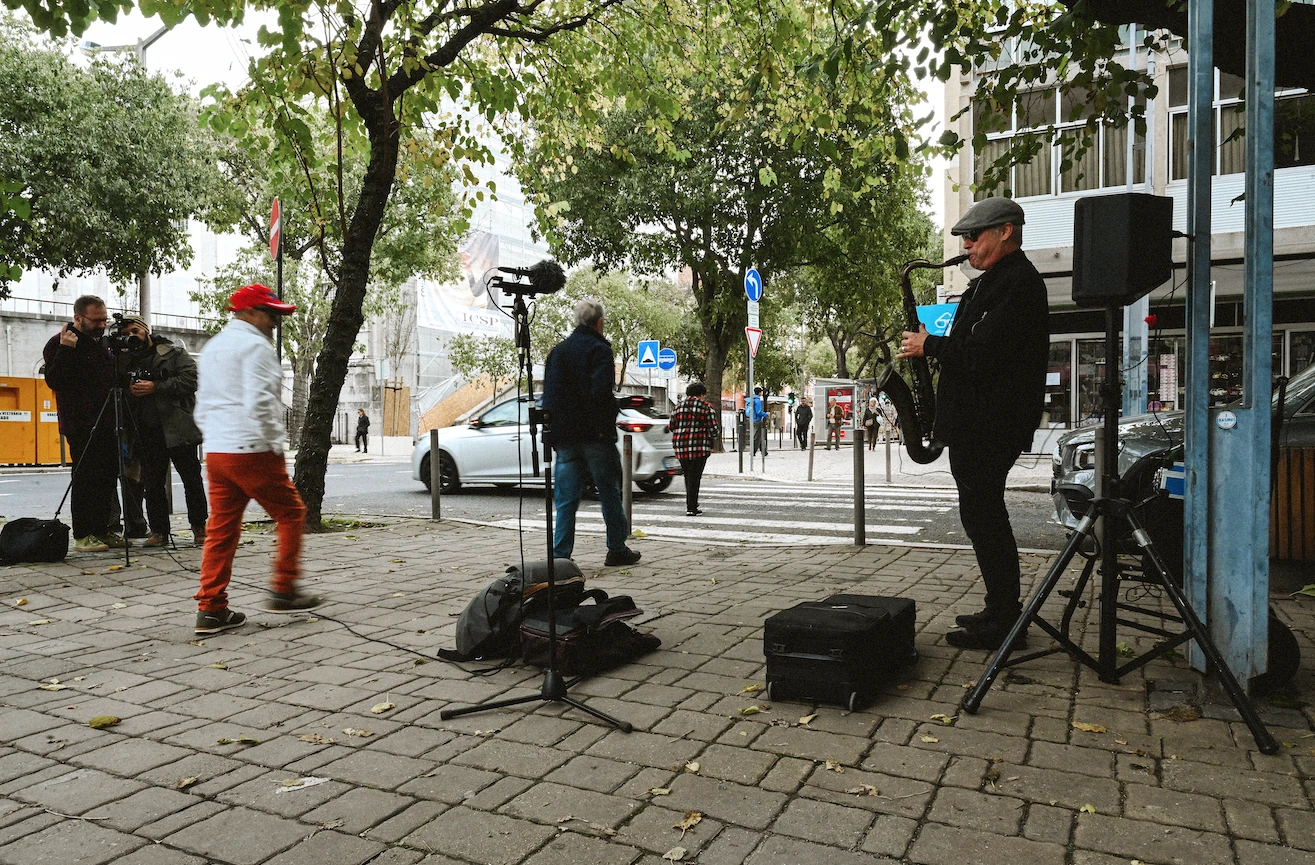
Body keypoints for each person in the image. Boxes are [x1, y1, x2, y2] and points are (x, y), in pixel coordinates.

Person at [898, 197, 1049, 651]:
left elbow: (984, 355)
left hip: (992, 425)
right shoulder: (991, 283)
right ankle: (998, 608)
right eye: (964, 238)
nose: (966, 246)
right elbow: (970, 345)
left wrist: (931, 346)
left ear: (1005, 231)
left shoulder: (1019, 284)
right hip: (976, 424)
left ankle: (1004, 621)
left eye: (974, 236)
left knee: (986, 519)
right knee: (981, 517)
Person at [192, 283, 324, 636]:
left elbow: (201, 405)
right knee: (291, 513)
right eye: (270, 314)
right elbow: (262, 403)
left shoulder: (214, 347)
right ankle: (284, 587)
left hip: (218, 450)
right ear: (248, 313)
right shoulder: (257, 347)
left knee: (221, 528)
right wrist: (274, 444)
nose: (275, 322)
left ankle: (211, 608)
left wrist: (214, 436)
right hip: (252, 448)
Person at [541, 299, 641, 567]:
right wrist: (613, 411)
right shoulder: (600, 350)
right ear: (599, 322)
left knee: (566, 499)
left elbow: (549, 396)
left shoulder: (558, 352)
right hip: (595, 435)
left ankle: (560, 556)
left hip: (565, 437)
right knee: (609, 491)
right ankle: (616, 549)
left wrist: (553, 432)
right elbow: (599, 394)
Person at [42, 295, 127, 552]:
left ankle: (103, 530)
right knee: (85, 479)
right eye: (96, 319)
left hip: (107, 420)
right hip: (81, 423)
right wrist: (67, 350)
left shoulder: (101, 343)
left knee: (107, 477)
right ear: (78, 317)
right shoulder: (59, 343)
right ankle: (83, 534)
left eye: (105, 319)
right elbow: (55, 380)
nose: (103, 324)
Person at [118, 316, 208, 547]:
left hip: (178, 427)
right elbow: (117, 392)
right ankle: (159, 531)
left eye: (136, 330)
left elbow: (193, 379)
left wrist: (156, 387)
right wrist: (130, 390)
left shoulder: (173, 352)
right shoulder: (125, 360)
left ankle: (200, 528)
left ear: (146, 331)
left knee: (191, 479)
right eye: (127, 332)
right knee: (152, 484)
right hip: (146, 430)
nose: (132, 335)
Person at [669, 382, 719, 516]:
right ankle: (691, 506)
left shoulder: (678, 407)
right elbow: (713, 430)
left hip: (681, 447)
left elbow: (671, 426)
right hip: (699, 447)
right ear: (702, 394)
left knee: (688, 475)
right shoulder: (706, 407)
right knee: (695, 476)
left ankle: (691, 503)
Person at [751, 387, 769, 456]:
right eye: (761, 392)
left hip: (753, 419)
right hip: (757, 420)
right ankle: (753, 451)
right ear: (759, 392)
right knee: (757, 436)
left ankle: (764, 451)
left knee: (760, 436)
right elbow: (758, 411)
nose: (762, 393)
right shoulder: (757, 400)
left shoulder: (752, 399)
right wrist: (765, 414)